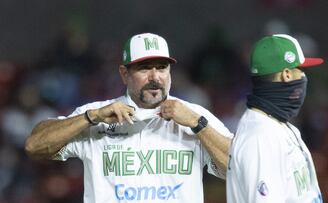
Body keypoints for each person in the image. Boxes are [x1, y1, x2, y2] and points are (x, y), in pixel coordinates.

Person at [25, 33, 233, 203]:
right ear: (124, 74)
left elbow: (238, 169)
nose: (155, 77)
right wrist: (91, 117)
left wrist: (198, 125)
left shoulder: (194, 116)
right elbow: (34, 146)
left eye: (161, 67)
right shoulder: (98, 114)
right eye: (144, 68)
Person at [226, 34, 324, 203]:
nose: (303, 77)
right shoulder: (261, 138)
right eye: (300, 70)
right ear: (286, 74)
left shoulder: (277, 124)